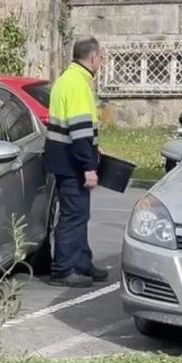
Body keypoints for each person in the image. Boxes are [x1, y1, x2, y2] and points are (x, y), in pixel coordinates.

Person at [44, 37, 112, 289]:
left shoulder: (68, 79)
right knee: (73, 216)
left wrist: (94, 148)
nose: (101, 63)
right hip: (71, 162)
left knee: (79, 214)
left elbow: (77, 128)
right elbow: (80, 129)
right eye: (101, 58)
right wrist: (88, 166)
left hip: (64, 158)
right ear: (93, 58)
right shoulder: (78, 84)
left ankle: (82, 262)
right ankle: (63, 269)